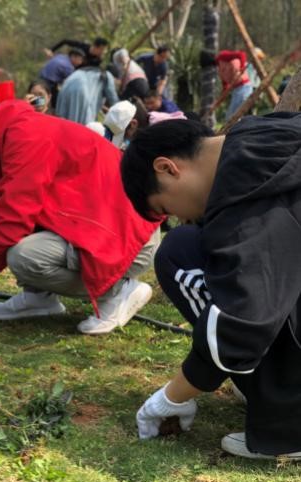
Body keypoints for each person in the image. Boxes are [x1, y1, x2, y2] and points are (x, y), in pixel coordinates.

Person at [120, 116, 301, 460]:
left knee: (182, 253)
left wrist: (173, 396)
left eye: (165, 209)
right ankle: (270, 385)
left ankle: (290, 426)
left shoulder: (246, 190)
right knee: (188, 245)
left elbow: (243, 319)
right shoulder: (264, 134)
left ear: (167, 168)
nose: (179, 218)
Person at [0, 101, 161, 335]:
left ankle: (118, 292)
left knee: (24, 257)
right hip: (106, 224)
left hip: (129, 236)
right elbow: (19, 219)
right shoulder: (8, 137)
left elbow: (11, 226)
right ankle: (39, 298)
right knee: (26, 239)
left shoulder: (24, 140)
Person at [216, 50, 253, 120]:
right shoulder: (221, 71)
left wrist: (242, 67)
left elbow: (241, 54)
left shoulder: (222, 56)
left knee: (233, 117)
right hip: (236, 90)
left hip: (244, 87)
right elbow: (225, 88)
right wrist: (218, 102)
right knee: (231, 116)